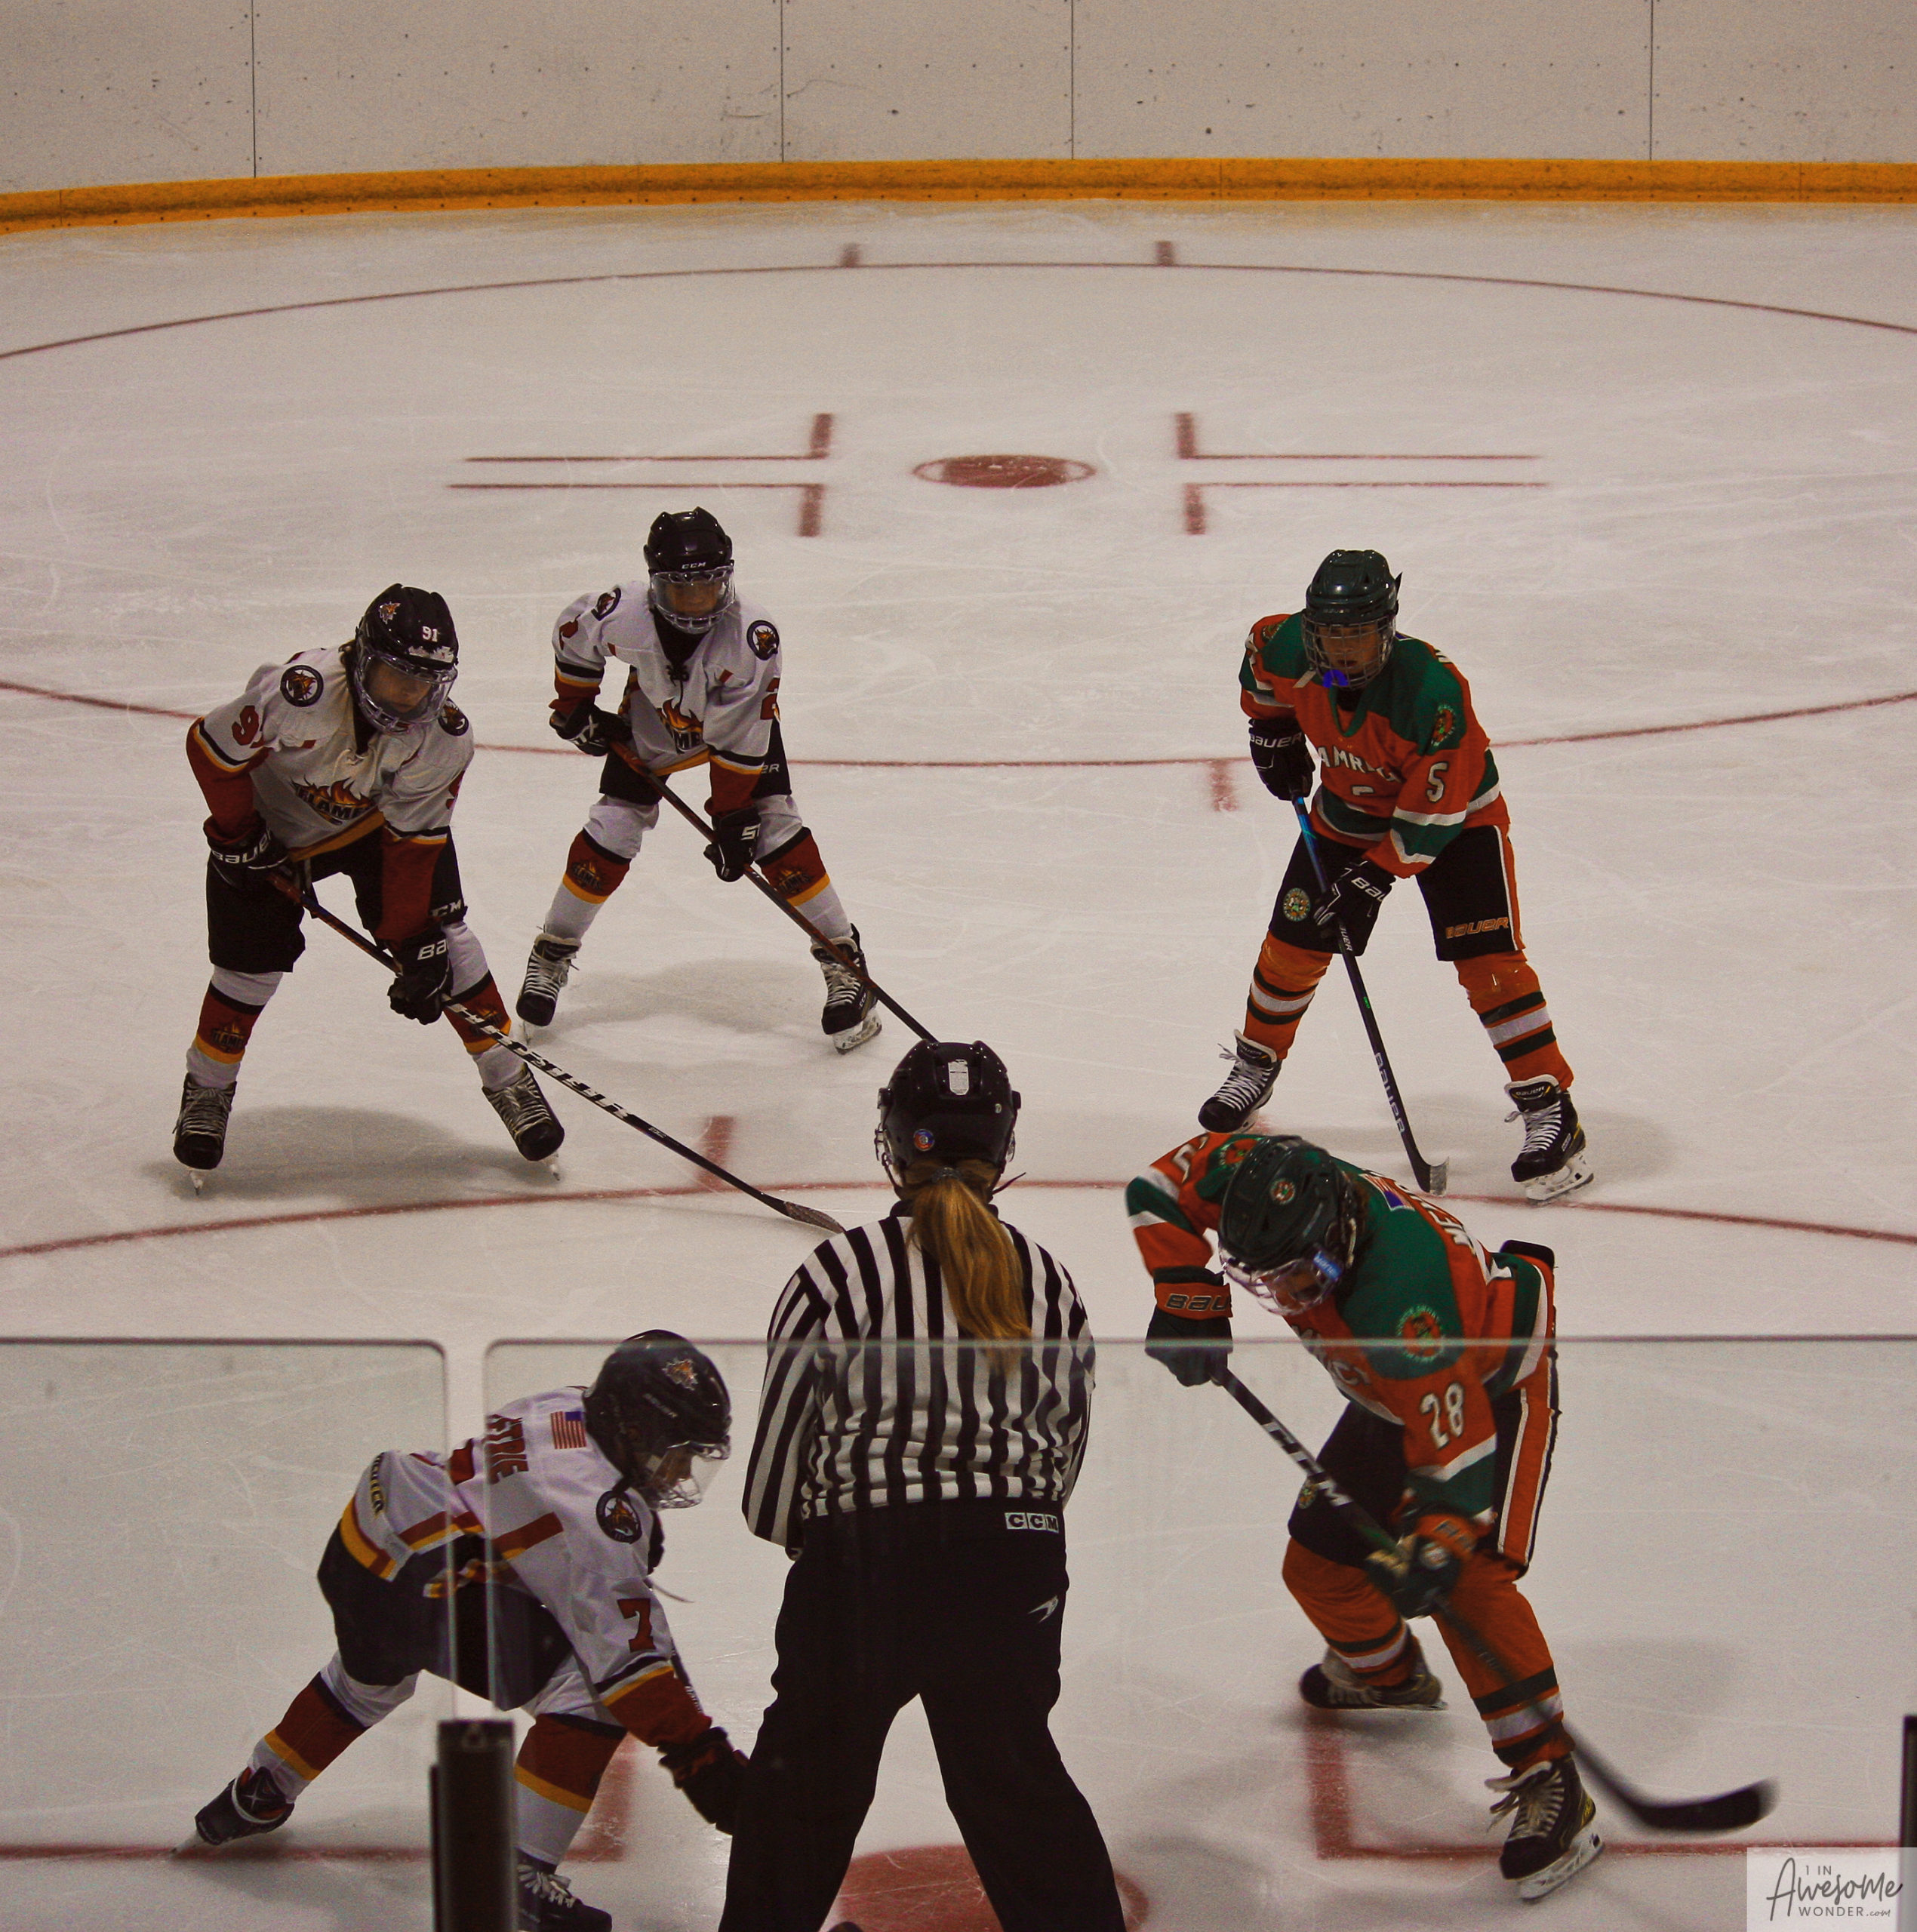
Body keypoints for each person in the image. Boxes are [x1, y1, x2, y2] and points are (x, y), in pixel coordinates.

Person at [1131, 1128, 1602, 1903]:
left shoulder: (1404, 1302)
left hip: (1490, 1378)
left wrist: (1439, 1544)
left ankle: (1550, 1774)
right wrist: (1187, 1297)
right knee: (1317, 1566)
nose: (1286, 1294)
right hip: (1391, 1392)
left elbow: (1455, 1454)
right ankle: (1389, 1678)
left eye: (1297, 1273)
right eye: (1265, 1277)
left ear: (1340, 1236)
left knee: (1468, 1580)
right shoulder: (1253, 1178)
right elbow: (1154, 1188)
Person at [722, 1041, 1125, 1932]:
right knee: (1014, 1783)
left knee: (802, 1789)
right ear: (1002, 1146)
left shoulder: (835, 1272)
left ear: (895, 1139)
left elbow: (774, 1487)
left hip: (862, 1562)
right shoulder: (1050, 1281)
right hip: (1012, 1561)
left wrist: (835, 1544)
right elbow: (1060, 1461)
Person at [189, 1333, 749, 1932]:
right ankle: (515, 1875)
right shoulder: (596, 1516)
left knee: (366, 1683)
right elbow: (627, 1668)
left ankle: (259, 1790)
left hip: (368, 1538)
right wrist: (702, 1759)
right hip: (422, 1583)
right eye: (675, 1453)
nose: (680, 1471)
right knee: (591, 1696)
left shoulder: (566, 1404)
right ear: (633, 1429)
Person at [1204, 548, 1590, 1204]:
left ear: (1386, 629)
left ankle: (1550, 1106)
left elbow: (1436, 811)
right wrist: (1270, 731)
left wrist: (1376, 877)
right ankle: (1255, 1066)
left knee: (1489, 962)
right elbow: (1262, 671)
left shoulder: (1433, 693)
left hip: (1458, 823)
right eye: (1330, 635)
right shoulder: (1287, 646)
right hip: (1346, 813)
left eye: (1357, 635)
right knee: (1293, 946)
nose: (1342, 650)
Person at [173, 583, 563, 1175]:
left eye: (424, 681)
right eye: (395, 675)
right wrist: (238, 833)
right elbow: (210, 748)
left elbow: (413, 848)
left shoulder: (444, 738)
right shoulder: (301, 692)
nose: (409, 694)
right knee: (247, 969)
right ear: (361, 658)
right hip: (270, 832)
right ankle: (207, 1088)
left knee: (448, 943)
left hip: (373, 830)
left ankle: (509, 1079)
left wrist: (414, 942)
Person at [516, 507, 880, 1053]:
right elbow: (574, 634)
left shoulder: (751, 638)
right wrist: (576, 706)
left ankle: (845, 960)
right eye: (682, 589)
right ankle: (552, 952)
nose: (697, 601)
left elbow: (740, 742)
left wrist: (732, 818)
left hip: (738, 733)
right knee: (613, 828)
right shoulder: (622, 613)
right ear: (655, 584)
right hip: (655, 723)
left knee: (774, 830)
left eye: (709, 585)